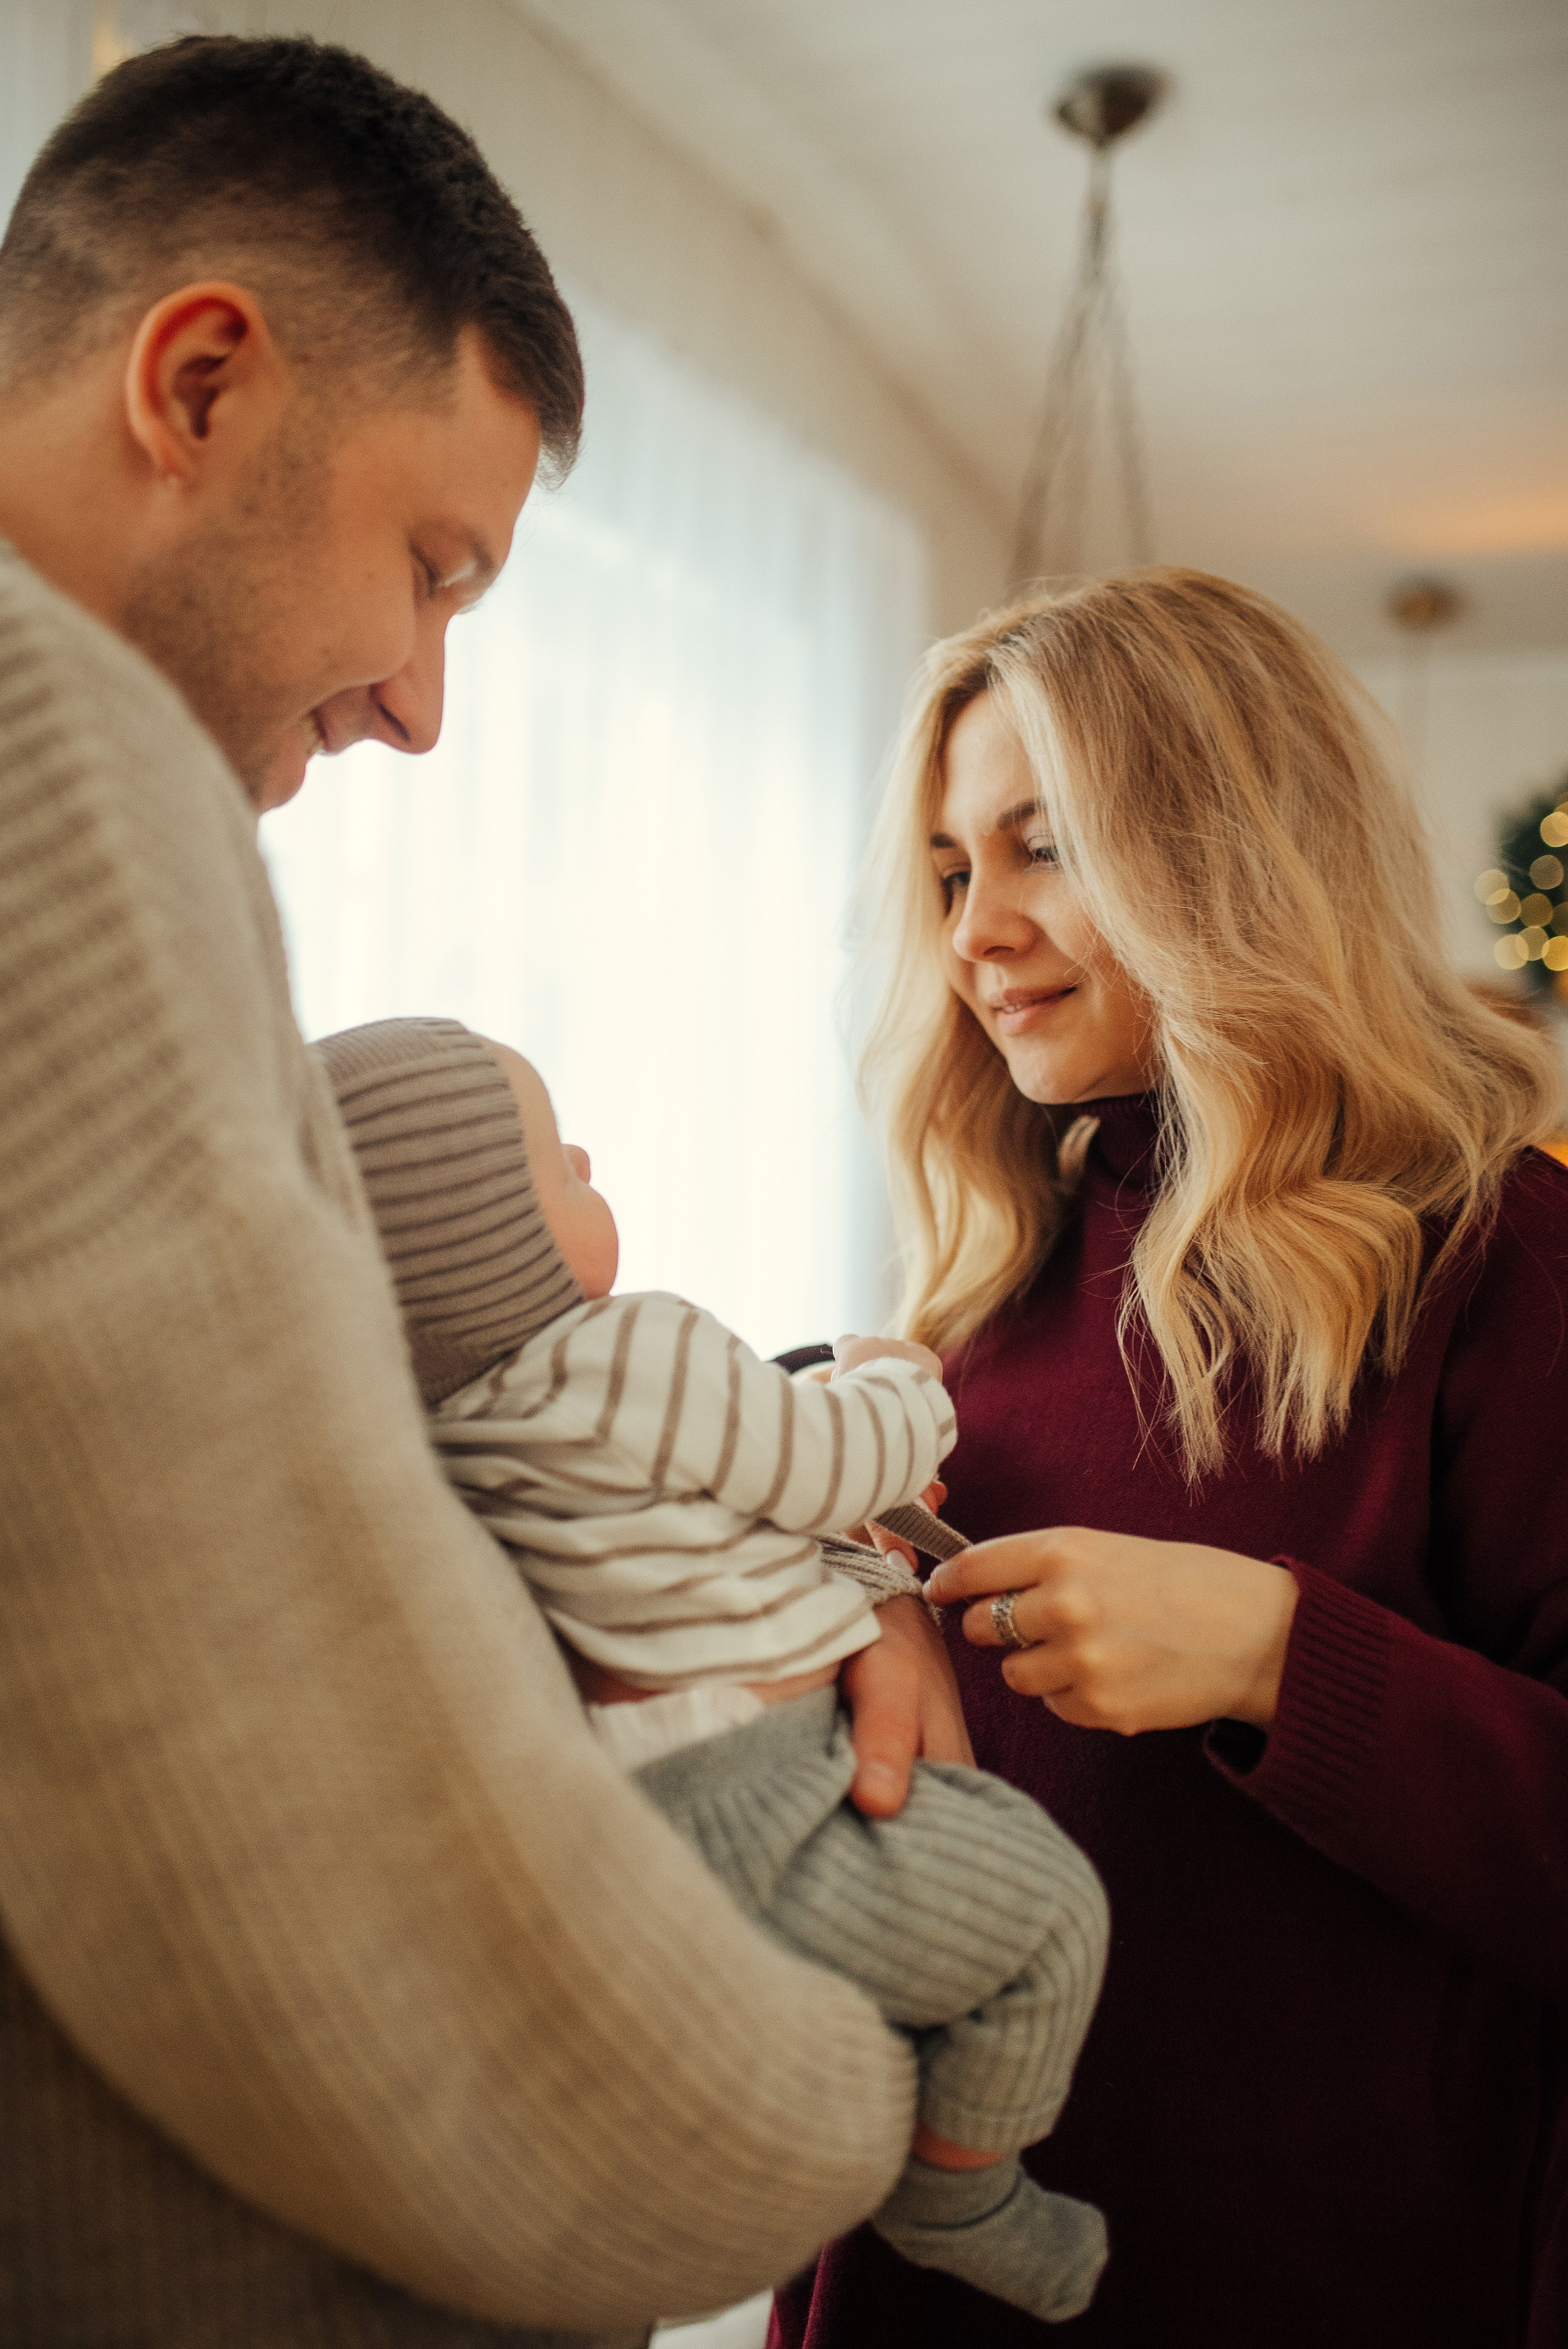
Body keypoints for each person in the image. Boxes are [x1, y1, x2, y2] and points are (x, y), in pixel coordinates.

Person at [0, 34, 968, 2348]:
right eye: (431, 568)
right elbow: (284, 1811)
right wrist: (831, 2094)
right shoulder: (60, 759)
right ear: (201, 381)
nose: (424, 705)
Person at [774, 567, 1568, 2349]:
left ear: (1236, 845)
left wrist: (1286, 1659)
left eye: (1042, 844)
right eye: (951, 869)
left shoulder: (1502, 1262)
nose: (975, 930)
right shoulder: (990, 1277)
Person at [312, 1012, 1114, 2327]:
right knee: (1043, 1914)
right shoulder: (635, 1352)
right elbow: (821, 1469)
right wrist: (897, 1381)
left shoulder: (426, 1447)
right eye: (550, 1162)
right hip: (760, 1795)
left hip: (603, 1850)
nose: (581, 1154)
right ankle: (958, 2188)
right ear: (490, 1242)